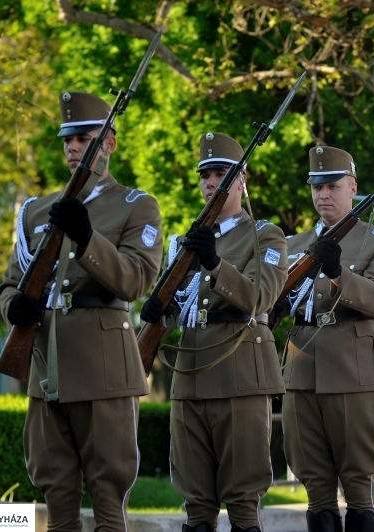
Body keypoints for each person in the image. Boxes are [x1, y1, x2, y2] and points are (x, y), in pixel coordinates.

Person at [0, 91, 163, 530]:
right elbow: (11, 282)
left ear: (108, 143)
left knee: (109, 498)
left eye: (83, 138)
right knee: (57, 496)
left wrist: (88, 239)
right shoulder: (35, 210)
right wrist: (12, 307)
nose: (72, 148)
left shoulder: (136, 205)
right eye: (67, 140)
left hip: (104, 368)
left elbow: (136, 280)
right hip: (47, 367)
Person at [139, 132, 288, 532]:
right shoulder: (182, 244)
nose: (210, 182)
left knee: (242, 500)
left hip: (240, 376)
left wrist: (215, 264)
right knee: (196, 502)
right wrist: (156, 311)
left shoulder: (266, 236)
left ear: (241, 180)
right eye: (205, 174)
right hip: (190, 380)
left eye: (220, 173)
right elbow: (177, 311)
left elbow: (262, 297)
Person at [279, 146, 374, 532]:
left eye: (332, 185)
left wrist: (337, 273)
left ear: (353, 187)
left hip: (354, 371)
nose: (323, 195)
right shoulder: (292, 244)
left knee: (358, 487)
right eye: (316, 187)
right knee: (315, 489)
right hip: (302, 371)